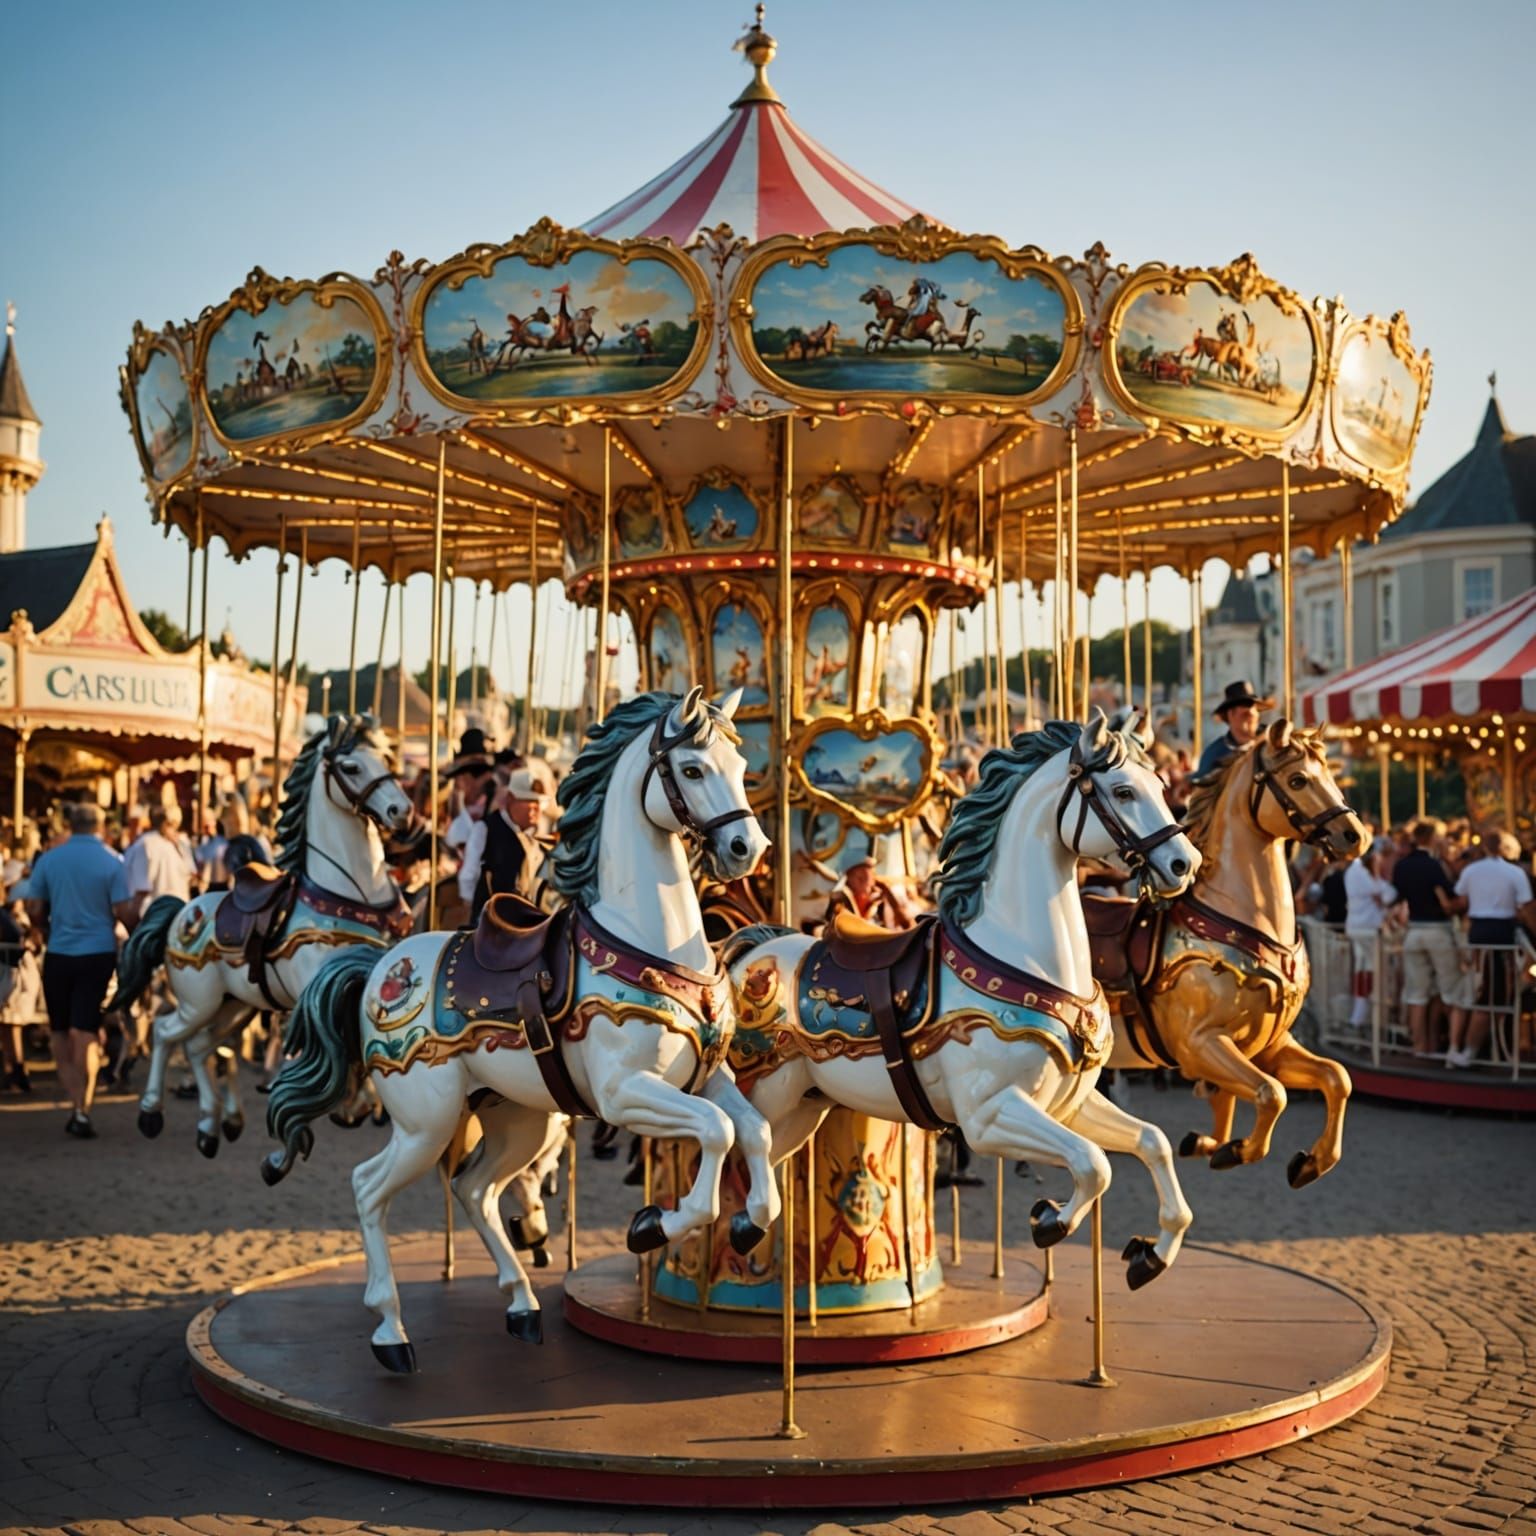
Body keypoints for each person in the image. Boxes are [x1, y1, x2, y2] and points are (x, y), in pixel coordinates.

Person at [25, 803, 136, 1138]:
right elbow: (124, 913)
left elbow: (33, 910)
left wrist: (45, 927)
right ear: (101, 826)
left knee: (60, 1031)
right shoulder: (112, 861)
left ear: (70, 825)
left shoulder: (49, 860)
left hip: (59, 951)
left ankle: (75, 1103)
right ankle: (84, 1108)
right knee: (85, 1030)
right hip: (99, 952)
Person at [1449, 832, 1533, 1068]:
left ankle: (1484, 1048)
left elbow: (1461, 898)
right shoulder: (1514, 873)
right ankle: (1470, 1051)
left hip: (1479, 933)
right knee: (1491, 997)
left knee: (1487, 991)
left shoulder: (1472, 871)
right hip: (1500, 935)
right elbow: (1527, 907)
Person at [1392, 819, 1468, 1056]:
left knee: (1417, 994)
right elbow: (1448, 897)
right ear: (1433, 838)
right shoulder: (1434, 865)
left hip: (1414, 931)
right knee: (1451, 989)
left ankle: (1420, 1047)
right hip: (1437, 931)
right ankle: (1454, 1047)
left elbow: (1399, 896)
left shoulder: (1402, 865)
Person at [459, 763, 555, 922]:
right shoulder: (485, 829)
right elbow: (468, 877)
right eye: (528, 801)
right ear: (510, 799)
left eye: (539, 802)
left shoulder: (537, 838)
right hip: (491, 924)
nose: (535, 808)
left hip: (524, 923)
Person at [1343, 836, 1400, 1030]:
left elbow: (1385, 895)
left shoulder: (1357, 870)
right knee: (1374, 975)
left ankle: (1360, 1018)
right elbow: (1386, 894)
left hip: (1359, 928)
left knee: (1364, 973)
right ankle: (1370, 1020)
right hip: (1368, 931)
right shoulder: (1362, 871)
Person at [123, 803, 195, 917]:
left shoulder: (144, 845)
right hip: (180, 916)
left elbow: (140, 890)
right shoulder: (181, 844)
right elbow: (192, 875)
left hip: (154, 918)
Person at [1195, 679, 1275, 778]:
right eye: (1245, 714)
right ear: (1230, 715)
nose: (1252, 715)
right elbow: (1200, 784)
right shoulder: (1214, 754)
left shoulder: (1273, 742)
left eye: (1254, 710)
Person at [823, 857, 916, 932]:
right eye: (870, 875)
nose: (874, 881)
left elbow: (908, 928)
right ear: (856, 879)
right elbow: (853, 934)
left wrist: (891, 899)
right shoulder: (839, 901)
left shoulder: (877, 905)